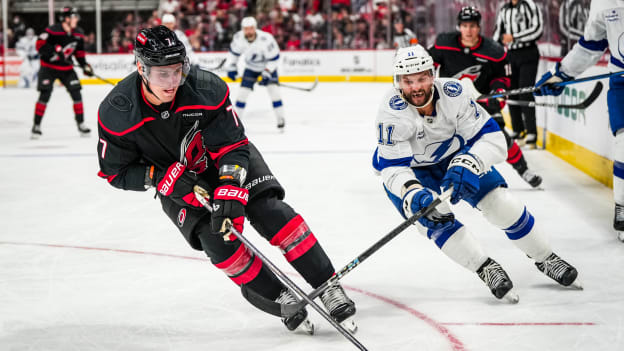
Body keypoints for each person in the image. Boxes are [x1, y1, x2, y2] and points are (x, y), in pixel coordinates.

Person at [96, 26, 356, 333]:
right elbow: (116, 172)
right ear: (141, 68)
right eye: (162, 74)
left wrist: (230, 187)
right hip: (176, 180)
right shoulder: (117, 112)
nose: (172, 82)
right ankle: (280, 296)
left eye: (177, 71)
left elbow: (232, 145)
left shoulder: (206, 88)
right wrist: (158, 176)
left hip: (226, 161)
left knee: (270, 212)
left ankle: (327, 285)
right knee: (218, 242)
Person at [373, 45, 581, 302]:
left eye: (422, 78)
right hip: (412, 171)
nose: (416, 87)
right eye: (408, 81)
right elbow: (392, 167)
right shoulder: (391, 111)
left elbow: (493, 138)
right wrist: (413, 193)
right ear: (398, 82)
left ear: (432, 74)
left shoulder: (454, 93)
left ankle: (545, 257)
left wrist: (470, 162)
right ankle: (486, 268)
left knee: (501, 204)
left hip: (454, 155)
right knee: (437, 220)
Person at [534, 0, 624, 240]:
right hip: (621, 82)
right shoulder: (603, 2)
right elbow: (591, 44)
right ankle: (623, 207)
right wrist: (561, 74)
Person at [428, 6, 542, 188]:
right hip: (450, 103)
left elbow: (502, 77)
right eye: (465, 25)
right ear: (459, 27)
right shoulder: (445, 43)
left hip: (482, 102)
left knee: (499, 135)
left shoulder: (493, 51)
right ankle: (434, 174)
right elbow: (428, 63)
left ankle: (524, 170)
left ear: (479, 27)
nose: (468, 30)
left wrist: (497, 94)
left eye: (472, 26)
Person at [31, 6, 94, 139]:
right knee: (45, 95)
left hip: (66, 69)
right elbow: (39, 44)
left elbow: (79, 53)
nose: (76, 19)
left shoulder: (78, 33)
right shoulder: (52, 31)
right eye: (74, 17)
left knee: (77, 93)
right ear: (66, 19)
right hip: (48, 68)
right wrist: (52, 52)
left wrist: (84, 66)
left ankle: (81, 124)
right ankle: (36, 126)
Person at [493, 0, 544, 147]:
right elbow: (498, 33)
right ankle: (517, 130)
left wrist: (515, 37)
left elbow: (537, 29)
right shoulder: (504, 9)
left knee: (525, 91)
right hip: (511, 54)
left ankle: (531, 133)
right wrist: (493, 50)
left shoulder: (529, 4)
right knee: (512, 91)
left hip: (528, 53)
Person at [225, 16, 285, 130]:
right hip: (251, 68)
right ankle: (236, 124)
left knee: (275, 93)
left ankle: (280, 119)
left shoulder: (266, 39)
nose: (249, 31)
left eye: (251, 28)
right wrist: (232, 67)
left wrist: (267, 73)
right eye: (246, 29)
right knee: (242, 94)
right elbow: (233, 55)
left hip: (267, 68)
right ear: (243, 29)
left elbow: (274, 59)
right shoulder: (238, 38)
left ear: (255, 28)